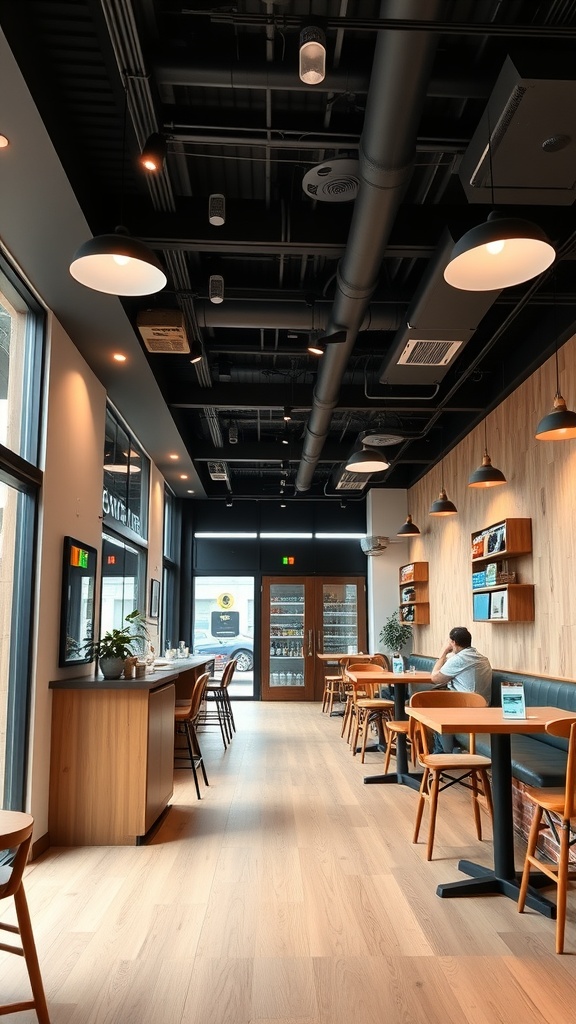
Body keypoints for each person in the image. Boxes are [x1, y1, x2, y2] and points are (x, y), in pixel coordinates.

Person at [427, 626, 492, 752]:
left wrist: (443, 653)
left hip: (466, 709)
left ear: (453, 643)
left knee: (429, 708)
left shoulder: (459, 659)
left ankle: (445, 752)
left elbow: (434, 678)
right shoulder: (481, 658)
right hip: (484, 707)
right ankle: (444, 751)